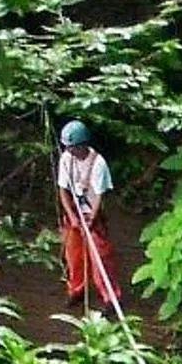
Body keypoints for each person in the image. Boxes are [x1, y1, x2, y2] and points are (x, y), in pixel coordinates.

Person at [55, 119, 117, 312]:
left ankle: (110, 297)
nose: (69, 151)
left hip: (92, 214)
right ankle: (77, 289)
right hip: (74, 212)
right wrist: (72, 217)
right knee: (73, 255)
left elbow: (99, 195)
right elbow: (63, 190)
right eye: (68, 147)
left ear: (82, 145)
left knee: (101, 256)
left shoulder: (98, 164)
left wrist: (91, 219)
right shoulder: (66, 159)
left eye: (72, 147)